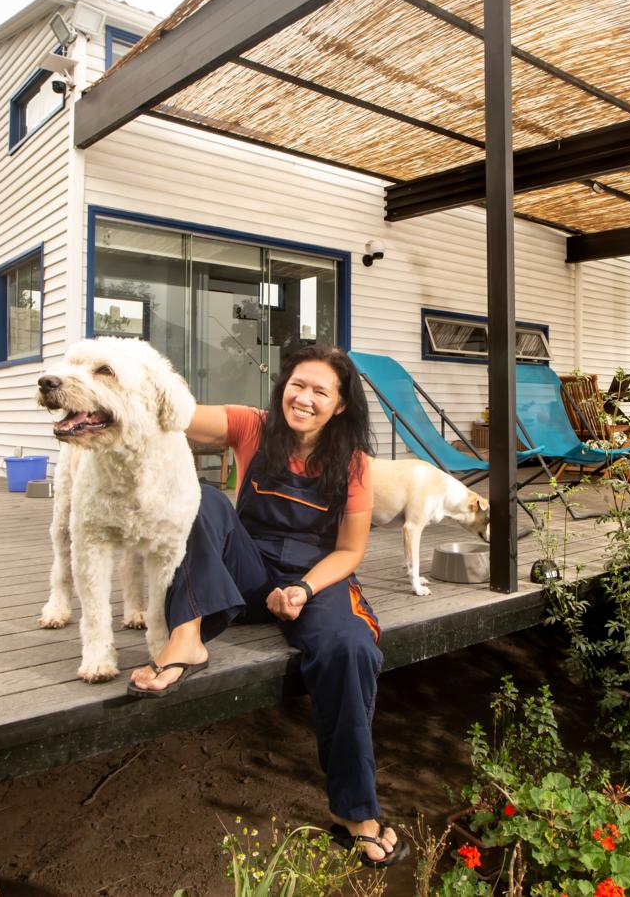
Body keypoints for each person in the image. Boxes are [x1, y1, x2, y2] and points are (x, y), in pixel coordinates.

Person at [128, 343, 409, 868]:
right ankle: (186, 639)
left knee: (351, 649)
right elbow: (177, 415)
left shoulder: (353, 464)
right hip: (247, 568)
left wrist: (303, 589)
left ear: (341, 405)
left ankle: (355, 810)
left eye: (319, 391)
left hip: (315, 579)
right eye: (296, 385)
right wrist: (125, 380)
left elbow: (350, 551)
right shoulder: (251, 425)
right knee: (204, 497)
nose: (303, 398)